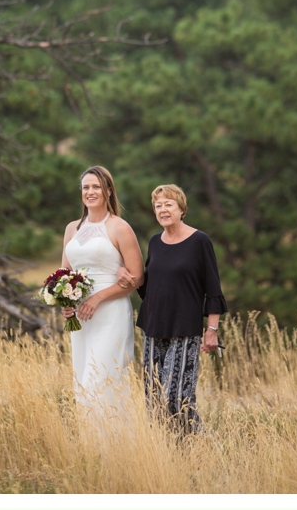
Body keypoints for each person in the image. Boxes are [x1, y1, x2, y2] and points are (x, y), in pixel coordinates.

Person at [135, 184, 225, 434]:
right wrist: (129, 278)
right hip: (153, 328)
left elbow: (213, 288)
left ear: (182, 209)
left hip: (184, 330)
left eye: (168, 204)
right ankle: (169, 455)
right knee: (154, 400)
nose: (163, 209)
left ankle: (204, 449)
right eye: (158, 206)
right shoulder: (154, 242)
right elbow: (150, 287)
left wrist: (212, 329)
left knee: (177, 399)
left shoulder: (199, 241)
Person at [58, 165, 142, 419]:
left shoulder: (119, 227)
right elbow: (64, 273)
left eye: (96, 187)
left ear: (108, 191)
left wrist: (97, 297)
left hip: (110, 314)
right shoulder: (72, 228)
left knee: (102, 380)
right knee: (83, 383)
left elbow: (137, 277)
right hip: (82, 319)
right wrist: (65, 300)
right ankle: (93, 452)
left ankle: (115, 449)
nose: (90, 192)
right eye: (86, 187)